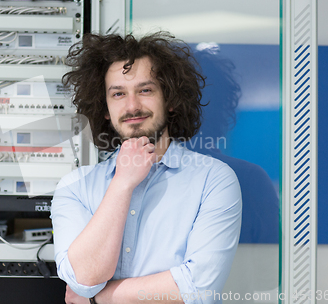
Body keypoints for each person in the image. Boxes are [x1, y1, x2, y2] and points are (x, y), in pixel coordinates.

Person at [50, 32, 242, 304]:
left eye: (145, 90)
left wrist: (96, 299)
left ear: (170, 99)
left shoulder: (214, 180)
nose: (132, 106)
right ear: (105, 108)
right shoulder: (74, 187)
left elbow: (198, 288)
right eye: (118, 93)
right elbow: (83, 277)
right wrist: (122, 183)